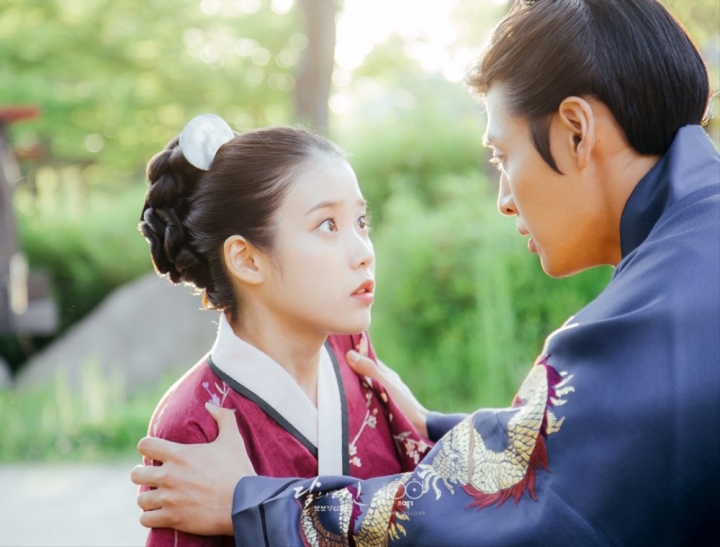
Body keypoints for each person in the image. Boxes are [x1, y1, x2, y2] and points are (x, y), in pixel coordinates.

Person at [131, 0, 720, 545]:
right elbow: (579, 455)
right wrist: (432, 429)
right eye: (326, 224)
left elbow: (531, 514)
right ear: (245, 257)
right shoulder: (691, 260)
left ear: (576, 130)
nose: (504, 199)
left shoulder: (656, 313)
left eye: (501, 156)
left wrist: (255, 505)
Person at [135, 114, 431, 546]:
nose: (364, 252)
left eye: (361, 222)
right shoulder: (195, 423)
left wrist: (426, 423)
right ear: (247, 259)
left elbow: (428, 508)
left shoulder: (352, 353)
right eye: (328, 225)